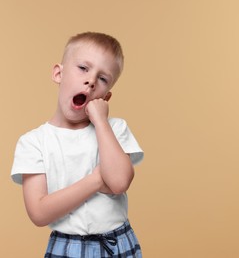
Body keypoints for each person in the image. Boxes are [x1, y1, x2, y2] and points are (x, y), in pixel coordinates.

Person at [11, 32, 144, 257]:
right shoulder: (34, 142)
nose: (91, 81)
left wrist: (101, 121)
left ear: (106, 97)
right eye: (83, 68)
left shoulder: (115, 129)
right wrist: (95, 180)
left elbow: (119, 181)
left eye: (102, 79)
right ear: (58, 74)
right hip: (67, 247)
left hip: (118, 242)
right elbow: (39, 213)